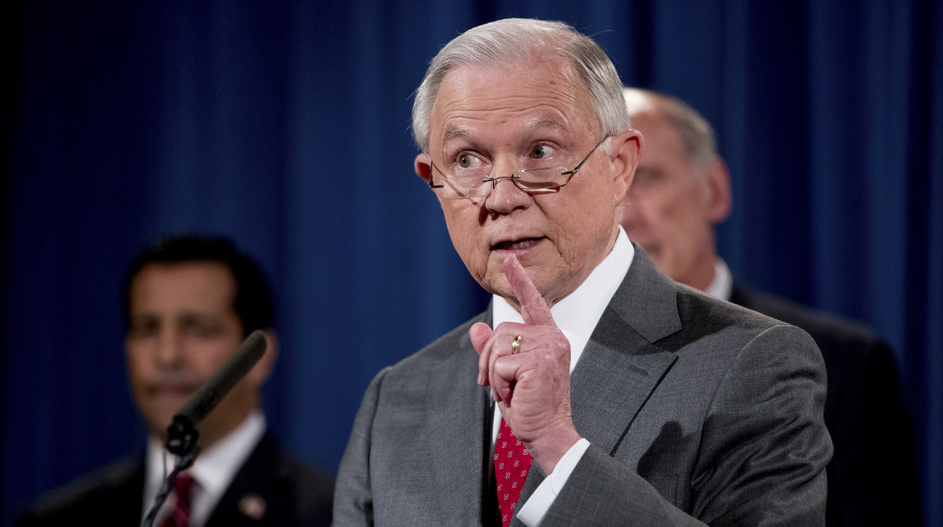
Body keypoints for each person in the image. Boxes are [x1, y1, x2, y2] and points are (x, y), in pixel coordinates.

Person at [334, 18, 832, 526]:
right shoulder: (397, 400)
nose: (502, 197)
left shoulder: (752, 364)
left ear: (619, 166)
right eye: (466, 160)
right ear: (432, 180)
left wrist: (560, 451)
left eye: (541, 152)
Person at [621, 87, 922, 526]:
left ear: (715, 190)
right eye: (607, 189)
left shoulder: (844, 363)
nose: (623, 215)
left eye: (644, 179)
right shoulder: (562, 360)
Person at [15, 235, 334, 527]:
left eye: (198, 329)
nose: (167, 355)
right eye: (147, 329)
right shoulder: (55, 521)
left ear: (259, 357)